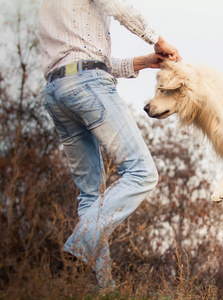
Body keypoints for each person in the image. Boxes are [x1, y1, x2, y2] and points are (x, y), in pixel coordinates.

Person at [39, 0, 181, 288]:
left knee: (91, 198)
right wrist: (159, 40)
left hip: (56, 92)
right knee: (142, 172)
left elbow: (84, 59)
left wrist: (142, 62)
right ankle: (73, 254)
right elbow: (118, 7)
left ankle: (102, 290)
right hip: (87, 84)